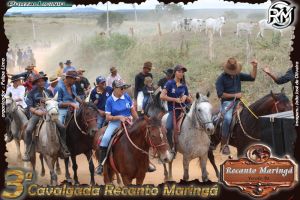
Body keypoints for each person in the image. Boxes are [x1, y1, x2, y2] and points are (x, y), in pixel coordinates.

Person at [22, 74, 70, 161]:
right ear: (36, 83)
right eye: (39, 81)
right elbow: (29, 107)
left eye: (43, 81)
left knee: (62, 127)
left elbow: (53, 103)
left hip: (50, 113)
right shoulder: (31, 93)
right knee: (28, 130)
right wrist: (37, 111)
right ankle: (28, 151)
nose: (42, 82)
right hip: (36, 114)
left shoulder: (49, 92)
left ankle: (63, 148)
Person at [95, 80, 139, 175]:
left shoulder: (126, 96)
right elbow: (108, 117)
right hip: (115, 123)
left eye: (124, 88)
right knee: (105, 139)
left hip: (129, 122)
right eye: (121, 88)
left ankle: (146, 163)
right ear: (115, 88)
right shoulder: (110, 100)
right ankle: (101, 165)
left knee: (141, 135)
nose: (123, 90)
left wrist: (138, 121)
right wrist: (119, 117)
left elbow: (133, 111)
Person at [215, 57, 257, 155]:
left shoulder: (238, 75)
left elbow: (252, 78)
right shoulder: (221, 79)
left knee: (250, 116)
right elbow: (220, 94)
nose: (234, 73)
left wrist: (255, 67)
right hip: (227, 103)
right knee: (228, 119)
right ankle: (224, 143)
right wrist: (235, 95)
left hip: (239, 101)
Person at [160, 65, 192, 154]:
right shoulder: (169, 83)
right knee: (169, 127)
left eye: (182, 72)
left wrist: (186, 97)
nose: (181, 73)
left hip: (185, 109)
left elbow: (190, 99)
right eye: (179, 71)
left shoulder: (184, 86)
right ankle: (171, 147)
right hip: (174, 110)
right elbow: (162, 96)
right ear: (175, 72)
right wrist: (174, 99)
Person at [5, 75, 27, 142]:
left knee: (29, 116)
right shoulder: (9, 89)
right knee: (6, 118)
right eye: (18, 80)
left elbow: (21, 98)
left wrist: (11, 100)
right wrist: (8, 101)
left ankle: (31, 132)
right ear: (14, 82)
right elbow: (6, 97)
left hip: (21, 106)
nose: (20, 81)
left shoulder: (22, 87)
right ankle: (9, 134)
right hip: (11, 107)